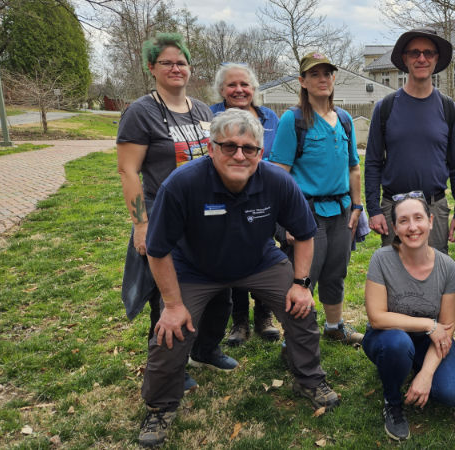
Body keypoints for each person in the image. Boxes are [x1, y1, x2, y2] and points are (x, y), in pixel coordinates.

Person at [137, 108, 340, 447]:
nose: (239, 155)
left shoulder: (277, 180)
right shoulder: (182, 184)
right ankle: (160, 406)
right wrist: (172, 304)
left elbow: (305, 234)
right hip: (194, 269)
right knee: (170, 329)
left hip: (258, 262)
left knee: (300, 310)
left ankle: (308, 379)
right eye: (229, 146)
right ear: (211, 147)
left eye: (249, 148)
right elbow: (158, 251)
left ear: (261, 153)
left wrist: (301, 285)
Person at [117, 33, 236, 395]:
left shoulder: (202, 111)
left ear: (190, 68)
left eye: (181, 62)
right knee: (168, 293)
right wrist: (141, 223)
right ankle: (173, 363)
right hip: (164, 215)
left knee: (220, 291)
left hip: (208, 216)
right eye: (166, 62)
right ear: (151, 68)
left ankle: (205, 348)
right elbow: (128, 171)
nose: (175, 68)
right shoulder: (141, 112)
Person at [269, 52, 363, 345]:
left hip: (341, 211)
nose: (323, 79)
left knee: (336, 272)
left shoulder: (344, 119)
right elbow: (278, 175)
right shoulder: (293, 120)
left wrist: (358, 205)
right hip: (307, 214)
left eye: (327, 74)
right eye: (315, 75)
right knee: (304, 276)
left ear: (334, 78)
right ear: (303, 81)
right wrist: (282, 223)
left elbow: (353, 167)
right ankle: (295, 337)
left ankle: (334, 326)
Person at [363, 192, 455, 441]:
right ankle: (393, 400)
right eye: (403, 221)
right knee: (398, 344)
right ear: (395, 228)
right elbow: (377, 317)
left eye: (418, 218)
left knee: (451, 393)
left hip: (430, 340)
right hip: (386, 336)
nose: (412, 227)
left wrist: (426, 374)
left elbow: (447, 327)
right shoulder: (381, 259)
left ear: (431, 221)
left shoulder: (447, 267)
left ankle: (415, 366)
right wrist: (428, 324)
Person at [364, 27, 455, 255]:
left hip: (434, 209)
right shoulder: (386, 108)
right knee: (394, 278)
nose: (422, 58)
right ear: (405, 58)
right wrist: (374, 209)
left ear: (436, 58)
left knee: (434, 279)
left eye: (428, 53)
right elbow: (372, 162)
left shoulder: (448, 109)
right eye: (415, 53)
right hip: (394, 207)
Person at [209, 62, 282, 345]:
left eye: (245, 84)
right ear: (221, 90)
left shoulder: (270, 118)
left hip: (263, 198)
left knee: (263, 255)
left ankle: (263, 316)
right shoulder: (210, 115)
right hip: (225, 198)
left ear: (254, 88)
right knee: (232, 255)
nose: (239, 90)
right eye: (232, 85)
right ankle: (239, 321)